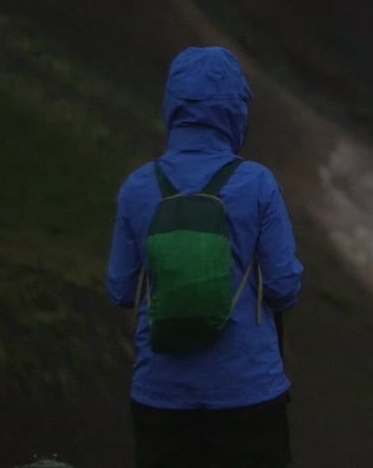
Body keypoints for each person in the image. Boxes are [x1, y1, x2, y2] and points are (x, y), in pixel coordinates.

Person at [107, 46, 304, 468]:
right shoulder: (257, 184)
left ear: (172, 107)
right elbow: (284, 287)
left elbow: (122, 290)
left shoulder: (139, 188)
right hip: (249, 395)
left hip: (161, 397)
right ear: (236, 109)